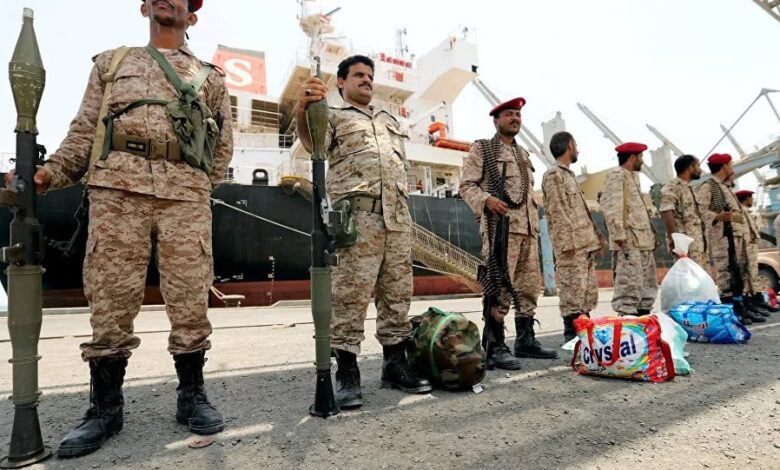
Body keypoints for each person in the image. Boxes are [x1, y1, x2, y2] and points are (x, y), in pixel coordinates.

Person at [2, 0, 234, 457]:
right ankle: (105, 408)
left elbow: (222, 145)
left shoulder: (211, 78)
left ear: (192, 16)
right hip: (116, 191)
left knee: (190, 296)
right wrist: (52, 172)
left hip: (185, 197)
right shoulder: (112, 63)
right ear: (145, 7)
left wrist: (196, 186)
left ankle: (192, 396)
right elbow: (84, 132)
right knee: (109, 298)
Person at [297, 55, 431, 409]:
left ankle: (394, 364)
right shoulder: (333, 115)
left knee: (397, 295)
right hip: (358, 220)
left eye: (370, 75)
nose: (367, 80)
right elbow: (312, 144)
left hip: (397, 220)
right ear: (341, 82)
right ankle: (347, 373)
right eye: (358, 75)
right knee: (350, 296)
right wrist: (303, 109)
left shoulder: (388, 121)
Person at [460, 97, 557, 371]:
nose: (515, 118)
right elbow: (466, 186)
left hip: (528, 230)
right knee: (499, 285)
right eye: (509, 114)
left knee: (528, 287)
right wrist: (487, 200)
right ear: (496, 120)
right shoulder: (483, 149)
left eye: (518, 114)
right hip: (501, 230)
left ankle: (525, 340)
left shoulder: (523, 154)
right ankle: (494, 346)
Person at [542, 132, 604, 341]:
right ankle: (573, 336)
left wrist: (596, 240)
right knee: (572, 293)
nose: (578, 149)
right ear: (569, 145)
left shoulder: (568, 175)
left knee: (586, 294)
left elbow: (581, 213)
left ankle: (585, 335)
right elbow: (557, 211)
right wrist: (569, 247)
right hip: (572, 247)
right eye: (576, 145)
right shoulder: (554, 175)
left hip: (584, 245)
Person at [696, 154, 765, 324]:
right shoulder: (709, 186)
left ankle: (740, 309)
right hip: (722, 238)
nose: (732, 168)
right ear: (724, 166)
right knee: (726, 274)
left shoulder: (723, 187)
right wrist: (718, 216)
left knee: (738, 273)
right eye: (730, 165)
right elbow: (700, 210)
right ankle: (731, 314)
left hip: (736, 237)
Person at [600, 142, 659, 316]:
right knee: (629, 284)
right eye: (641, 157)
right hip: (629, 241)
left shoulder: (632, 177)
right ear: (632, 158)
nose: (642, 161)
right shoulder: (617, 175)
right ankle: (628, 322)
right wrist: (619, 234)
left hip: (642, 241)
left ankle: (643, 318)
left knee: (646, 285)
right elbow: (611, 205)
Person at [659, 155, 708, 268]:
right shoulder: (672, 187)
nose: (700, 170)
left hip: (696, 244)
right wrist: (674, 239)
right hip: (685, 245)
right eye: (698, 166)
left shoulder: (689, 188)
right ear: (690, 168)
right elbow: (666, 212)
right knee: (688, 275)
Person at [736, 190, 774, 316]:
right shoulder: (740, 213)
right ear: (746, 199)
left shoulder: (747, 212)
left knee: (753, 276)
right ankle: (751, 304)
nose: (752, 200)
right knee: (747, 277)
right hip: (745, 248)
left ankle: (756, 301)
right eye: (751, 198)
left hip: (751, 248)